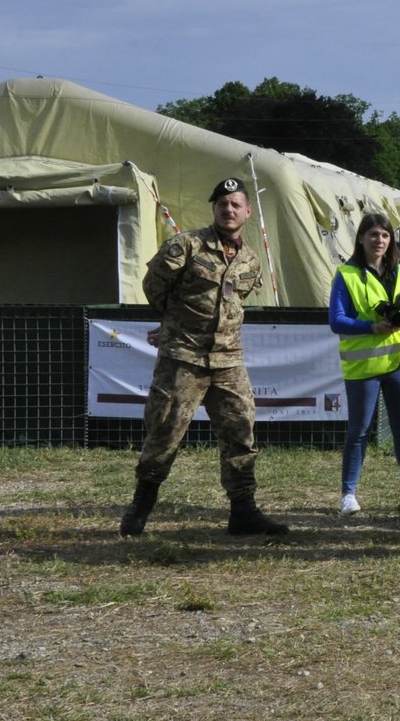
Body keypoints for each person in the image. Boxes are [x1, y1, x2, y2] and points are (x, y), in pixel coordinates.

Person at [118, 178, 286, 537]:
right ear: (214, 209)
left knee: (241, 436)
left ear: (247, 212)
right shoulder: (186, 245)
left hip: (229, 361)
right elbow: (154, 288)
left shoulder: (251, 261)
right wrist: (175, 324)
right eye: (222, 204)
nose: (229, 210)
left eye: (236, 204)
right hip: (183, 358)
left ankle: (243, 513)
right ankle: (139, 511)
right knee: (164, 435)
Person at [328, 212, 400, 517]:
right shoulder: (346, 275)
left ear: (391, 241)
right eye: (373, 234)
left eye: (385, 235)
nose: (380, 240)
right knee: (358, 431)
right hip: (363, 369)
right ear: (361, 239)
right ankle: (348, 495)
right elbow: (337, 321)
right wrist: (372, 328)